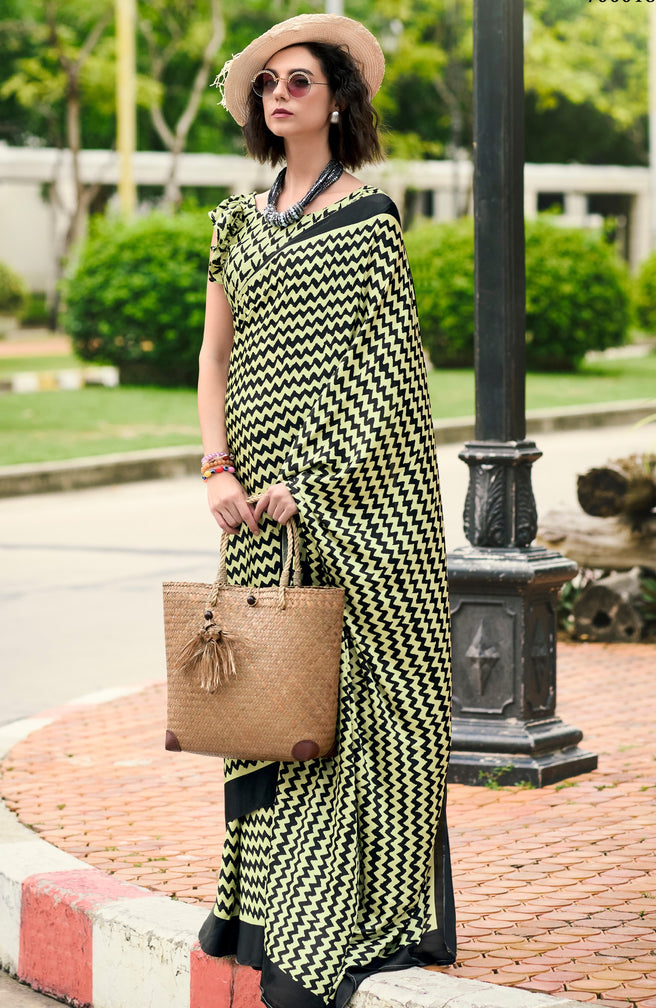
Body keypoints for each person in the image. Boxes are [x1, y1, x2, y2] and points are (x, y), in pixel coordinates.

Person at [196, 13, 456, 1008]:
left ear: (338, 100)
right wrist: (217, 469)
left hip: (348, 502)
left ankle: (342, 914)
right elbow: (216, 357)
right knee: (269, 695)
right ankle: (258, 906)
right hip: (250, 514)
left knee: (352, 703)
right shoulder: (234, 220)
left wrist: (318, 480)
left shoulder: (370, 216)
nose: (280, 94)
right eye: (269, 84)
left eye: (299, 81)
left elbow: (389, 372)